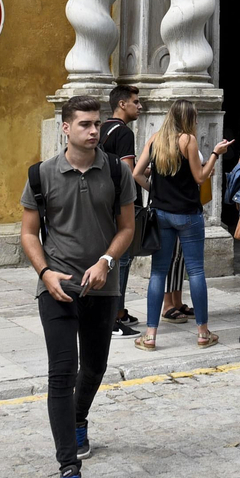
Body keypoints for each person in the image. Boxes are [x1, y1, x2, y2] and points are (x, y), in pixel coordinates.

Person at [19, 96, 136, 478]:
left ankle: (79, 417)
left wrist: (106, 261)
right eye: (84, 124)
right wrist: (46, 273)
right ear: (65, 128)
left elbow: (127, 228)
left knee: (96, 366)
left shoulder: (117, 174)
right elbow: (28, 233)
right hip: (57, 286)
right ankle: (69, 466)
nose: (93, 131)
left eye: (96, 124)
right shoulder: (41, 175)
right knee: (61, 372)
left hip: (102, 286)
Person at [132, 100, 231, 351]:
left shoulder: (155, 139)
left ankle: (151, 335)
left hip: (161, 214)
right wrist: (215, 155)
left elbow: (136, 173)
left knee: (158, 273)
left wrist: (153, 190)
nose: (197, 122)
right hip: (188, 215)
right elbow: (200, 177)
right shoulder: (188, 140)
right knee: (196, 272)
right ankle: (202, 333)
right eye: (195, 118)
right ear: (187, 119)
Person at [99, 85, 142, 335]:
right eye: (135, 102)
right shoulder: (124, 133)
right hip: (120, 204)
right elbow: (127, 171)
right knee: (121, 259)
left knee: (111, 257)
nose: (139, 106)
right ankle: (114, 316)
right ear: (122, 104)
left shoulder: (103, 128)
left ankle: (121, 310)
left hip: (103, 200)